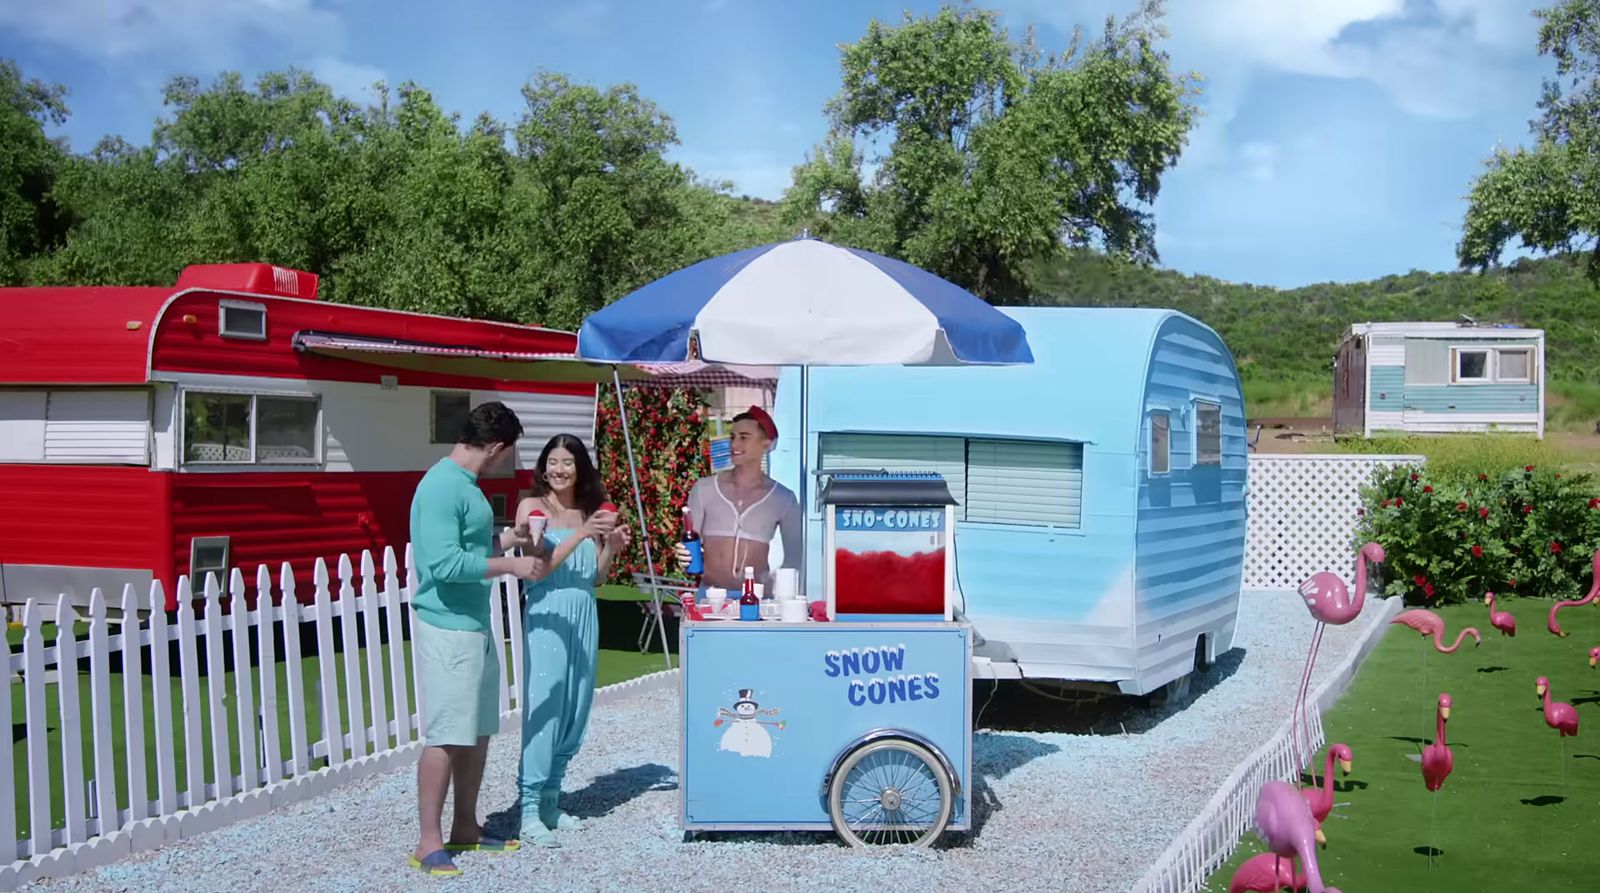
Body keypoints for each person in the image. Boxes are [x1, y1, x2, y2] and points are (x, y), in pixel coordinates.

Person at [408, 401, 549, 878]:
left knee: (476, 730)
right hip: (447, 627)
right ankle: (428, 842)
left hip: (473, 624)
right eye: (508, 452)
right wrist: (512, 565)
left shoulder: (465, 488)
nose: (507, 460)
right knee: (446, 733)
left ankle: (465, 826)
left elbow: (469, 548)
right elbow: (443, 565)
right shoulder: (442, 487)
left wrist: (507, 542)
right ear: (495, 447)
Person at [514, 433, 630, 847]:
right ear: (543, 466)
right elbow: (538, 568)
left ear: (580, 468)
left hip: (583, 613)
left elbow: (594, 577)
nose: (560, 469)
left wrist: (611, 547)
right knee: (546, 704)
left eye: (568, 462)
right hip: (547, 614)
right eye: (553, 461)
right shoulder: (533, 509)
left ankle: (550, 799)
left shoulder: (587, 512)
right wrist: (582, 533)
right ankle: (527, 809)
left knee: (576, 707)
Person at [674, 406, 801, 592]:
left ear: (766, 444)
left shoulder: (784, 498)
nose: (734, 445)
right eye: (732, 437)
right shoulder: (704, 489)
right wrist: (683, 555)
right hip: (711, 598)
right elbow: (690, 545)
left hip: (758, 600)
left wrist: (779, 590)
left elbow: (795, 557)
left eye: (744, 438)